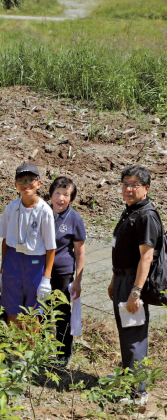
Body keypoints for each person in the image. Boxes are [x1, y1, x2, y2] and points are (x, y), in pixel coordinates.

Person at [108, 165, 161, 405]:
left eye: (134, 185)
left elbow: (146, 257)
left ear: (146, 188)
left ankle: (139, 393)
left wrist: (135, 291)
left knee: (135, 337)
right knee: (126, 335)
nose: (128, 189)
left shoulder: (146, 215)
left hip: (132, 282)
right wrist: (113, 280)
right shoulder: (130, 211)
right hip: (122, 279)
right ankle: (129, 384)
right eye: (125, 184)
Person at [0, 163, 56, 325]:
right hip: (12, 261)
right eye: (21, 180)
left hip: (35, 263)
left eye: (31, 180)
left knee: (32, 312)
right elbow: (5, 241)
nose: (26, 184)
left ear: (39, 183)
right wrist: (2, 270)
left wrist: (46, 279)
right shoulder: (11, 208)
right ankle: (13, 348)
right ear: (15, 185)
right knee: (11, 309)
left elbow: (51, 248)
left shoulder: (45, 211)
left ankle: (30, 349)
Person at [49, 176, 86, 368]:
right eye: (57, 193)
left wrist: (78, 280)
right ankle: (41, 348)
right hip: (40, 272)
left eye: (66, 195)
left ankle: (63, 353)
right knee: (39, 310)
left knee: (61, 312)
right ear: (51, 194)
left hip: (62, 273)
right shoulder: (42, 212)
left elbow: (80, 251)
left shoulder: (74, 219)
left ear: (71, 198)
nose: (61, 198)